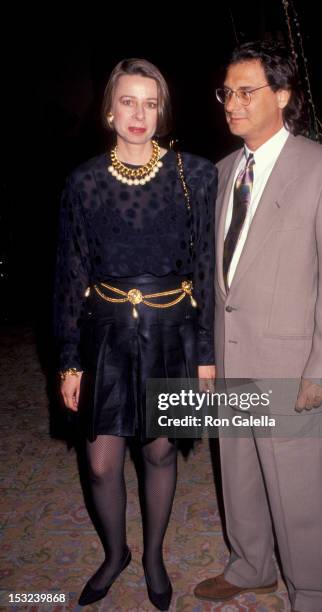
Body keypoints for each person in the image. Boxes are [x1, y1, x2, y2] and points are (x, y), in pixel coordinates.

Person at [194, 41, 322, 612]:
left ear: (283, 95)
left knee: (299, 490)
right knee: (239, 474)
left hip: (291, 367)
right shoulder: (220, 174)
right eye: (227, 93)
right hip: (231, 358)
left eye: (246, 92)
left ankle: (312, 592)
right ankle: (252, 566)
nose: (232, 104)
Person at [54, 58, 217, 609]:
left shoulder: (194, 174)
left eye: (150, 102)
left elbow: (206, 274)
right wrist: (69, 361)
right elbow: (69, 275)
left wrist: (206, 357)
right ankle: (114, 553)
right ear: (109, 109)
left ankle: (152, 556)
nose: (139, 113)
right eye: (128, 101)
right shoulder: (83, 182)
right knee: (100, 460)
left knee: (160, 452)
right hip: (105, 334)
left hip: (172, 330)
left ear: (162, 110)